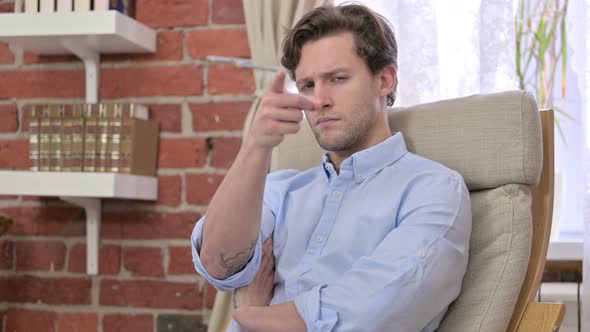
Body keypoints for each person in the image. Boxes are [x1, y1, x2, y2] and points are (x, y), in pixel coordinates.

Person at [191, 3, 472, 331]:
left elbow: (371, 313)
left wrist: (249, 314)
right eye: (307, 85)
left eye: (337, 79)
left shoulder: (433, 190)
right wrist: (255, 146)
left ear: (384, 80)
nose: (319, 100)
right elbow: (219, 264)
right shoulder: (280, 190)